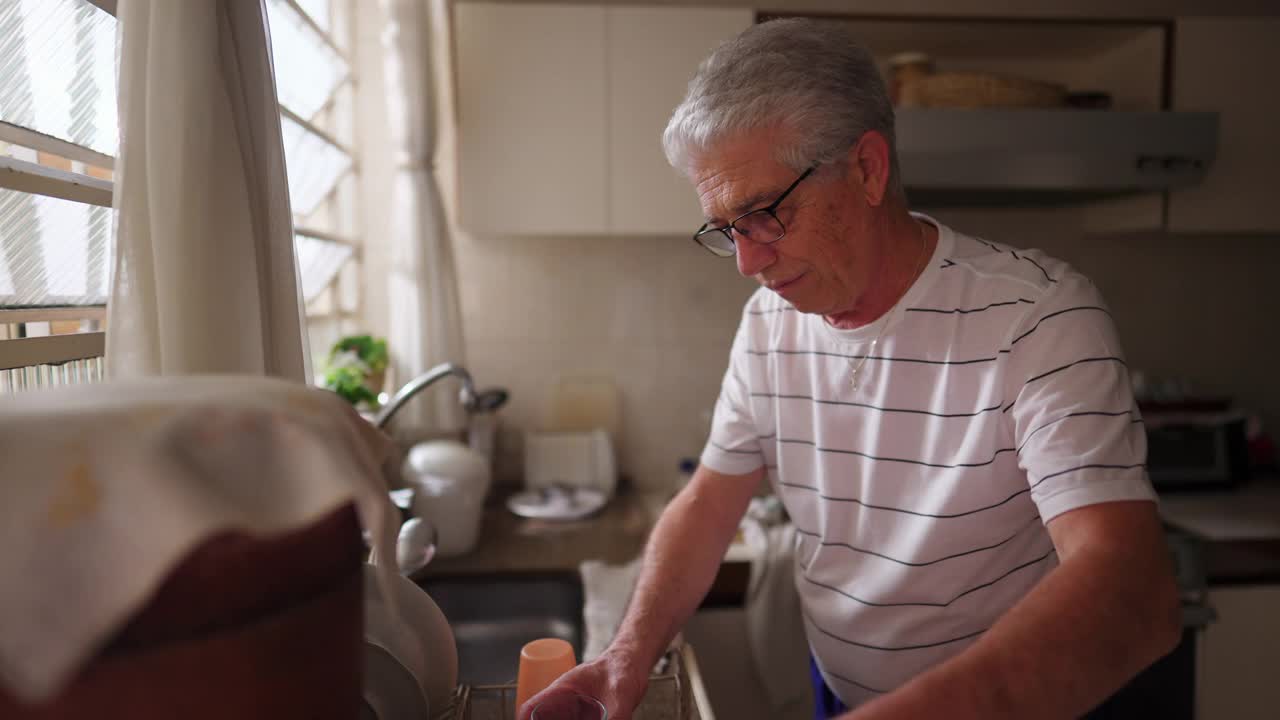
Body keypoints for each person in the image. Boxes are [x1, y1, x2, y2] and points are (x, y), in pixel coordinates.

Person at [519, 18, 1180, 720]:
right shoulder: (769, 324)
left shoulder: (1038, 318)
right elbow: (710, 503)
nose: (747, 261)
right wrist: (627, 655)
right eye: (727, 230)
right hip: (838, 694)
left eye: (766, 214)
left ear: (867, 168)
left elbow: (1133, 594)